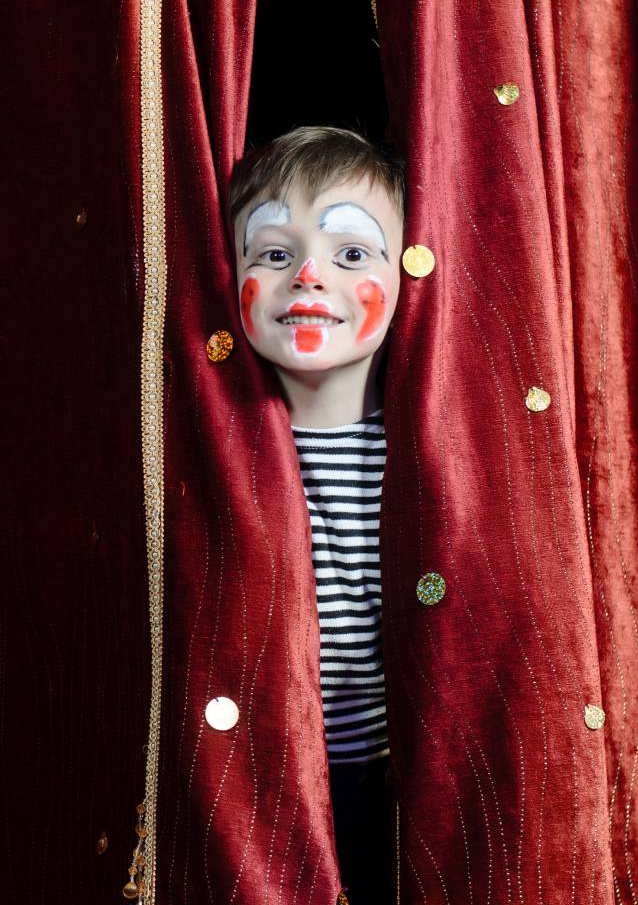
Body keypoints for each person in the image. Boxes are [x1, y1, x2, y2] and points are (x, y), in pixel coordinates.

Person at [226, 126, 406, 903]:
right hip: (252, 790)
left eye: (352, 254)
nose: (307, 274)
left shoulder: (433, 457)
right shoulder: (209, 451)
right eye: (271, 253)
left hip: (388, 790)